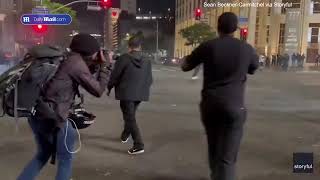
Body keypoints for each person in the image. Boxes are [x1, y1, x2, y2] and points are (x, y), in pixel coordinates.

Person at [17, 34, 112, 180]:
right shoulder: (76, 64)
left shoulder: (66, 57)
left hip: (37, 114)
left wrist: (96, 63)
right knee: (65, 160)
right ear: (88, 50)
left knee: (42, 155)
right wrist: (105, 66)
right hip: (55, 120)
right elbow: (98, 90)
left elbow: (82, 76)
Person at [181, 12, 259, 180]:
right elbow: (253, 68)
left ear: (218, 27)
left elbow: (186, 65)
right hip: (234, 107)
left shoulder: (208, 46)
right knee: (227, 158)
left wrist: (186, 59)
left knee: (214, 147)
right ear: (236, 29)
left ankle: (215, 176)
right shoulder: (246, 48)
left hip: (211, 106)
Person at [107, 35, 153, 155]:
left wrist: (109, 86)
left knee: (130, 117)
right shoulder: (147, 59)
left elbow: (115, 75)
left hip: (126, 92)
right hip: (140, 93)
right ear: (140, 46)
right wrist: (144, 88)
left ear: (129, 46)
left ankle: (138, 144)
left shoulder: (123, 58)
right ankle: (125, 135)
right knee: (130, 116)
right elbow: (150, 78)